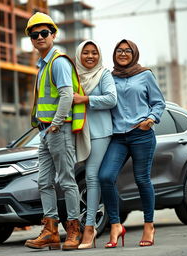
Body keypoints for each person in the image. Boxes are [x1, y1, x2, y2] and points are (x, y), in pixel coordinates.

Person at [24, 12, 86, 251]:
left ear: (53, 34)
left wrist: (57, 123)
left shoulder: (58, 61)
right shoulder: (43, 64)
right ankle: (50, 230)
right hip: (46, 132)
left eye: (44, 33)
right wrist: (47, 128)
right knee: (44, 182)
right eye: (34, 34)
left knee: (67, 180)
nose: (39, 37)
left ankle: (73, 229)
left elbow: (67, 95)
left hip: (57, 130)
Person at [98, 39, 166, 248]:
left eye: (128, 50)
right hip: (118, 136)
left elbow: (158, 102)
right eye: (119, 50)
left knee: (142, 178)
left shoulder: (145, 75)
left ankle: (149, 225)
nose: (123, 53)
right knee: (106, 176)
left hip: (141, 134)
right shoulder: (109, 77)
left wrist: (151, 119)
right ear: (114, 54)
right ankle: (116, 225)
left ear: (134, 54)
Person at [73, 40, 117, 249]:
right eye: (86, 53)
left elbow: (111, 99)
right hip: (79, 133)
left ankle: (89, 228)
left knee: (91, 176)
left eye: (94, 53)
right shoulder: (74, 75)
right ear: (78, 55)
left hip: (100, 133)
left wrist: (85, 99)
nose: (90, 56)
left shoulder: (104, 74)